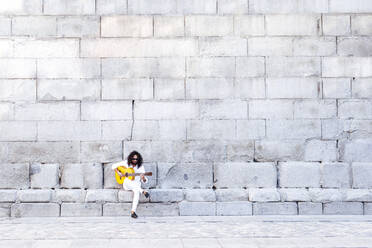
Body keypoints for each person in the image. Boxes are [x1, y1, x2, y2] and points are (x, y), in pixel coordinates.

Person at [111, 150, 149, 218]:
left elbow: (145, 180)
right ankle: (142, 191)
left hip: (136, 185)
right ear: (130, 158)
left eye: (136, 159)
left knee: (136, 191)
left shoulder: (141, 167)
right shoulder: (126, 163)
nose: (135, 160)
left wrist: (143, 178)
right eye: (133, 158)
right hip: (127, 184)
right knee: (131, 183)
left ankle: (133, 212)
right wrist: (119, 173)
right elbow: (113, 166)